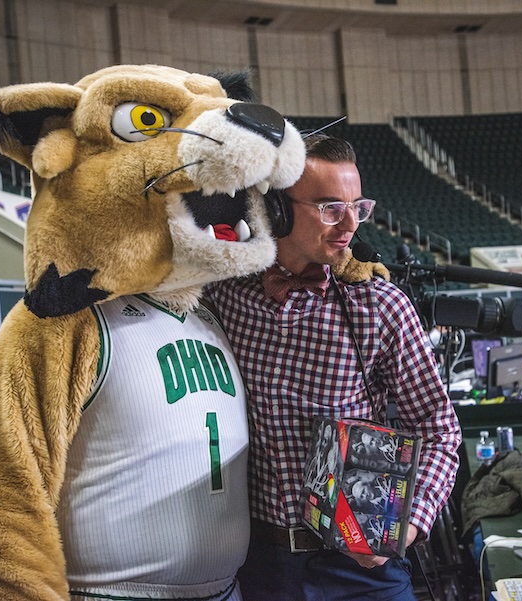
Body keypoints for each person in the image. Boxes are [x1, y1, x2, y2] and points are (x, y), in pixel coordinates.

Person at [205, 133, 461, 601]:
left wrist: (406, 525)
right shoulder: (224, 291)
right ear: (277, 209)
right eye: (329, 207)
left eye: (357, 207)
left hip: (358, 571)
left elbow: (439, 428)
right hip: (254, 564)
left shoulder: (379, 305)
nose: (349, 225)